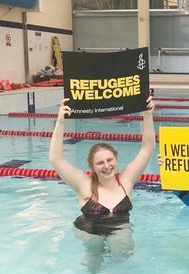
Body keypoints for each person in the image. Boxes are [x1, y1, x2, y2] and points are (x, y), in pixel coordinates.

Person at [49, 97, 155, 272]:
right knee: (93, 264)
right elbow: (56, 158)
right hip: (88, 231)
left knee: (123, 257)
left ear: (116, 158)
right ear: (92, 166)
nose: (106, 166)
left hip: (119, 228)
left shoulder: (126, 181)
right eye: (100, 163)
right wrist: (60, 120)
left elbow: (147, 148)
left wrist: (147, 114)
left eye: (109, 160)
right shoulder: (83, 184)